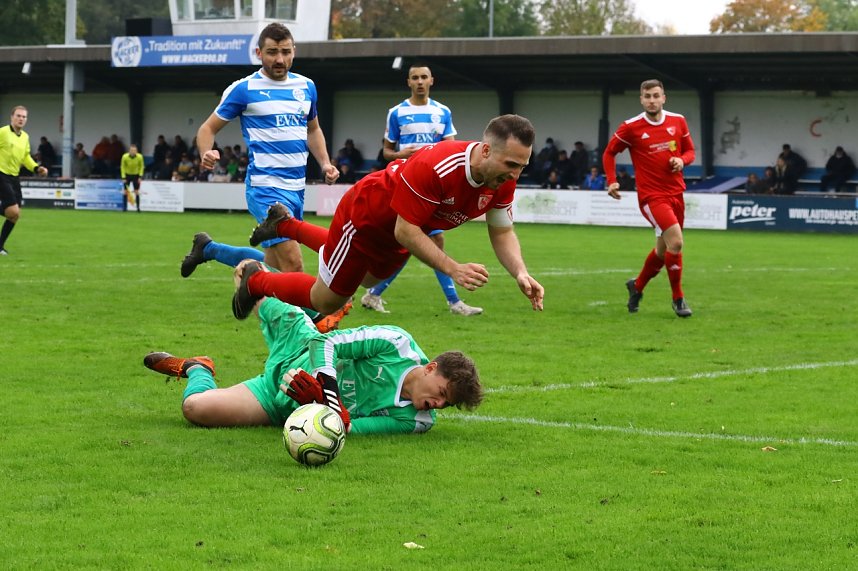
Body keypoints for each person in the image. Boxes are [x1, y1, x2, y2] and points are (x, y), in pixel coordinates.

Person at [234, 114, 545, 320]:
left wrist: (520, 272)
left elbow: (502, 232)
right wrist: (453, 268)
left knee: (369, 279)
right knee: (328, 301)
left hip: (401, 228)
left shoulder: (502, 179)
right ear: (487, 151)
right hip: (367, 217)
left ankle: (285, 224)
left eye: (522, 166)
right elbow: (406, 232)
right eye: (511, 164)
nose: (516, 174)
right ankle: (256, 281)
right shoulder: (437, 166)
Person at [143, 292, 483, 435]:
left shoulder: (418, 421)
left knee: (195, 409)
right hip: (299, 342)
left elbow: (349, 430)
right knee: (257, 290)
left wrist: (322, 407)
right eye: (440, 393)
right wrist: (331, 394)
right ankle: (311, 311)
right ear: (430, 367)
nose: (437, 405)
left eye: (445, 404)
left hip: (285, 398)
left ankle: (198, 368)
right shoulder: (396, 344)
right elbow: (326, 343)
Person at [196, 22, 339, 274]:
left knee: (272, 267)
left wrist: (325, 163)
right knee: (293, 264)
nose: (280, 59)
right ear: (259, 53)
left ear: (294, 51)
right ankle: (311, 315)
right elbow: (207, 128)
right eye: (272, 52)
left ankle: (209, 249)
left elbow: (313, 129)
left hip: (296, 188)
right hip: (265, 186)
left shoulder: (306, 87)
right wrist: (206, 151)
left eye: (285, 51)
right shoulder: (244, 89)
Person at [362, 62, 482, 317]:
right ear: (408, 82)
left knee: (424, 241)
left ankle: (374, 294)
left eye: (423, 77)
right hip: (405, 182)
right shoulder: (396, 112)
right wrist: (402, 153)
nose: (419, 81)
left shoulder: (443, 111)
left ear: (431, 81)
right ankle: (453, 302)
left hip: (433, 186)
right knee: (423, 241)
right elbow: (386, 152)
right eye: (414, 77)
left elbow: (454, 149)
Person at [602, 79, 696, 318]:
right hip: (652, 197)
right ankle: (678, 299)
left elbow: (690, 151)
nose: (652, 100)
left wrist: (682, 160)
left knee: (664, 253)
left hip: (676, 193)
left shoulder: (678, 121)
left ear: (664, 97)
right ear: (641, 99)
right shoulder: (631, 127)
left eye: (656, 95)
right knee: (676, 243)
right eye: (647, 96)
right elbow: (609, 152)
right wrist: (612, 179)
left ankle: (637, 286)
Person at [0, 106, 48, 255]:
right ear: (11, 117)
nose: (21, 119)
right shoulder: (3, 132)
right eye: (18, 116)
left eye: (24, 117)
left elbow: (25, 157)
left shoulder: (25, 137)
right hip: (1, 173)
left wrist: (36, 168)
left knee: (15, 215)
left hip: (14, 176)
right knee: (13, 210)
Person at [120, 144, 145, 212]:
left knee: (136, 191)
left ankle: (138, 208)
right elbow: (122, 167)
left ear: (136, 151)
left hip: (136, 175)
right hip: (127, 175)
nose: (133, 152)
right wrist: (123, 177)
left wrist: (140, 176)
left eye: (134, 150)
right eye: (132, 150)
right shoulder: (125, 157)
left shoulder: (140, 157)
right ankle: (124, 208)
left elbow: (141, 167)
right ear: (129, 151)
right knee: (125, 192)